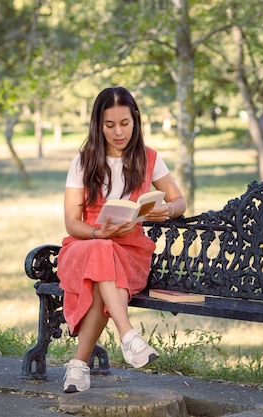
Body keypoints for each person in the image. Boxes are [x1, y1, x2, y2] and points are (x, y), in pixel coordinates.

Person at [57, 86, 186, 393]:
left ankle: (78, 365)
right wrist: (96, 233)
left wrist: (166, 209)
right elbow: (72, 223)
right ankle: (128, 335)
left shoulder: (149, 158)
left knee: (104, 272)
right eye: (110, 125)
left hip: (130, 251)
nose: (118, 132)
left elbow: (180, 201)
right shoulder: (83, 161)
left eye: (124, 124)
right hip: (84, 246)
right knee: (101, 253)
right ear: (97, 125)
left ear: (135, 120)